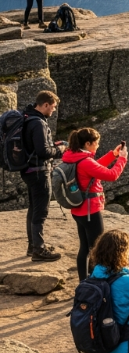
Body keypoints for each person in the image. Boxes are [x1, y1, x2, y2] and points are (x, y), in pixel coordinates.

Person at [62, 128, 128, 281]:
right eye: (96, 143)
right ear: (87, 143)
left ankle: (83, 282)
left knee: (84, 248)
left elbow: (95, 167)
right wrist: (122, 159)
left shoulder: (73, 156)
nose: (98, 146)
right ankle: (95, 284)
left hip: (78, 209)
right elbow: (112, 175)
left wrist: (113, 155)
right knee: (97, 250)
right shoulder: (85, 161)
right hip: (90, 211)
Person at [22, 90, 66, 261]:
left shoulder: (27, 118)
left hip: (28, 170)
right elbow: (43, 152)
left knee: (33, 208)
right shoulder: (38, 123)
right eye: (53, 107)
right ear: (46, 104)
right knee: (40, 211)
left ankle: (33, 246)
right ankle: (39, 251)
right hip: (39, 172)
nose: (53, 110)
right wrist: (60, 149)